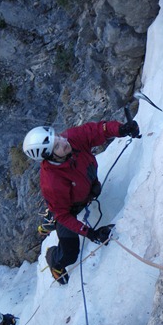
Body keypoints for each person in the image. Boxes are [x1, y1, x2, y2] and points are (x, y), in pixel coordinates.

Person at [22, 118, 140, 284]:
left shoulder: (71, 139)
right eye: (56, 146)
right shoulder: (52, 183)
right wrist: (91, 233)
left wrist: (121, 129)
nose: (63, 141)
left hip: (84, 189)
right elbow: (64, 216)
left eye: (58, 137)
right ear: (48, 156)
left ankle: (52, 215)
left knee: (91, 191)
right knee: (70, 254)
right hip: (67, 209)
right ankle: (54, 259)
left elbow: (98, 130)